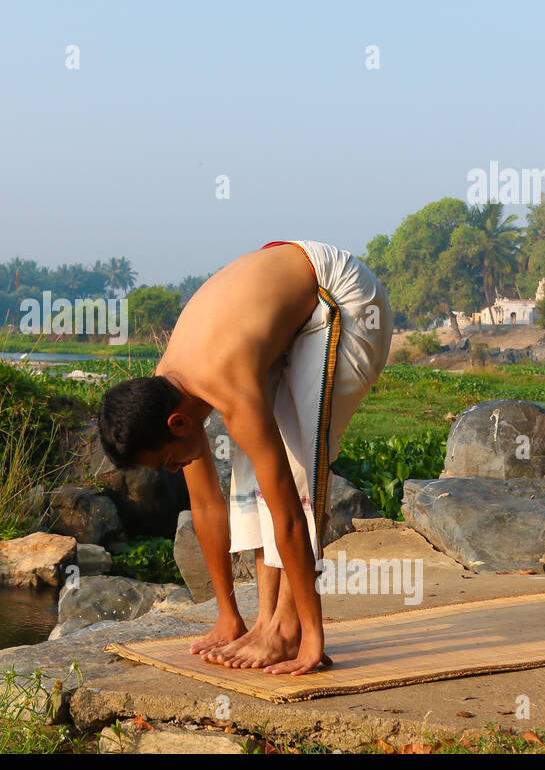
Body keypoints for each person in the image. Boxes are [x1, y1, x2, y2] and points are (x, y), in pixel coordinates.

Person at [96, 241, 392, 675]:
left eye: (168, 463)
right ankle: (260, 623)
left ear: (179, 424)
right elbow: (206, 507)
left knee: (295, 466)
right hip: (285, 307)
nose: (176, 469)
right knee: (248, 474)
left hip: (341, 295)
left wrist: (315, 637)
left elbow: (289, 514)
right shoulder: (166, 393)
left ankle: (290, 630)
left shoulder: (224, 381)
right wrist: (226, 615)